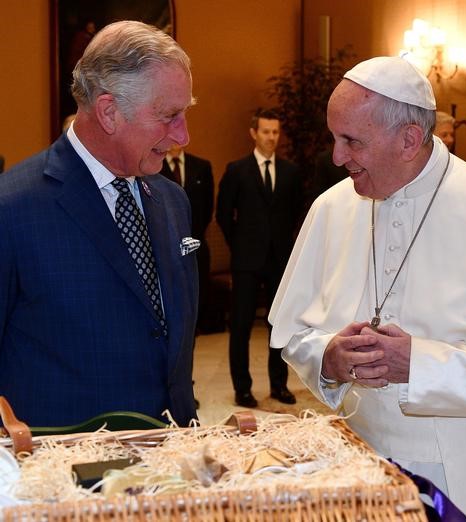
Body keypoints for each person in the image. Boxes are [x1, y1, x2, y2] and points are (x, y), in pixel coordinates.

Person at [269, 56, 466, 521]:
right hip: (359, 457)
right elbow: (294, 332)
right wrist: (328, 358)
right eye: (334, 138)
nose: (337, 157)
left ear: (408, 140)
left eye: (351, 141)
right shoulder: (331, 208)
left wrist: (421, 365)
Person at [0, 21, 198, 427]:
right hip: (66, 471)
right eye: (169, 116)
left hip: (171, 460)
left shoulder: (172, 199)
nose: (184, 136)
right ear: (109, 111)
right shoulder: (12, 208)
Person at [216, 108, 303, 407]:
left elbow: (295, 214)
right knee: (240, 326)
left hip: (279, 260)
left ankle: (279, 384)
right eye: (266, 131)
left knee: (278, 326)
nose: (271, 137)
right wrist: (239, 246)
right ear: (254, 133)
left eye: (275, 132)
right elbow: (224, 215)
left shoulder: (291, 172)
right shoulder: (236, 170)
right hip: (247, 262)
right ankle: (242, 388)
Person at [160, 145, 215, 334]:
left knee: (193, 310)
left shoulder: (202, 166)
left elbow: (208, 209)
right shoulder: (153, 166)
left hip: (195, 247)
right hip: (163, 250)